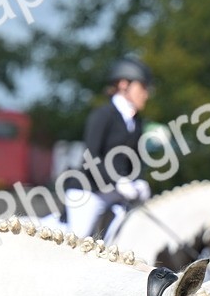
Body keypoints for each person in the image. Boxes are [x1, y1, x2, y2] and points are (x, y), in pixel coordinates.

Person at [61, 55, 154, 239]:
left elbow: (134, 160)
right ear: (123, 84)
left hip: (115, 194)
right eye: (142, 87)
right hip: (89, 191)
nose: (146, 94)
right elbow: (91, 157)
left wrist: (139, 181)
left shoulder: (136, 122)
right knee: (78, 239)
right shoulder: (103, 115)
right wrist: (117, 181)